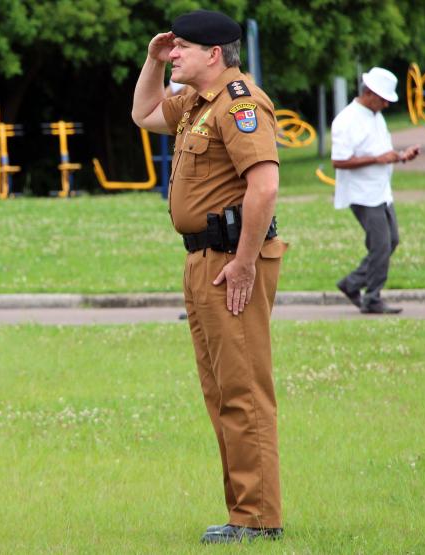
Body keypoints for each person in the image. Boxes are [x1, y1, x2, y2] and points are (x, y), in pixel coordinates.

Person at [131, 10, 286, 544]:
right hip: (203, 260)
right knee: (221, 392)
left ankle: (260, 520)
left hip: (230, 262)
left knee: (243, 390)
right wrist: (152, 62)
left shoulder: (240, 102)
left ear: (213, 54)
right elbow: (144, 112)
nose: (173, 54)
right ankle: (243, 514)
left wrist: (243, 263)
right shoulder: (197, 103)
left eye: (181, 49)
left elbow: (263, 187)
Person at [331, 67, 420, 314]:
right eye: (383, 99)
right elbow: (338, 161)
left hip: (381, 191)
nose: (386, 105)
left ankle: (352, 284)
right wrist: (377, 159)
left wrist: (402, 156)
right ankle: (372, 298)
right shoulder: (346, 120)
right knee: (380, 245)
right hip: (362, 194)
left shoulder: (375, 115)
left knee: (392, 240)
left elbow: (381, 153)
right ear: (369, 93)